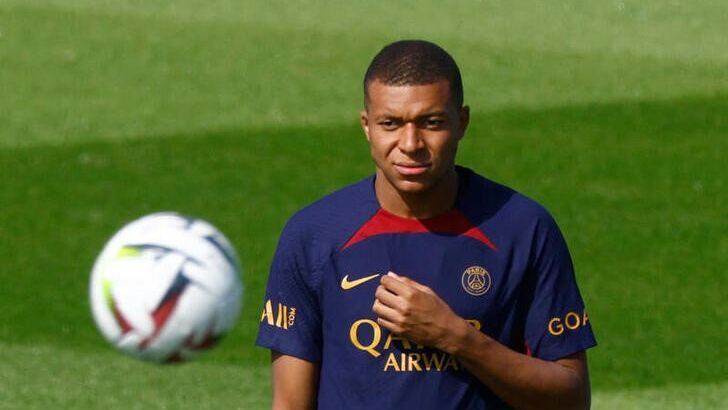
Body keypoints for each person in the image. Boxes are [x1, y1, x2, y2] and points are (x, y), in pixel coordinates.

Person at [256, 40, 596, 410]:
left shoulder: (523, 228)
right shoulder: (314, 234)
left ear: (461, 122)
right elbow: (290, 403)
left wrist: (455, 337)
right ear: (366, 126)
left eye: (431, 122)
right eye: (391, 124)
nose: (411, 143)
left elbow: (572, 399)